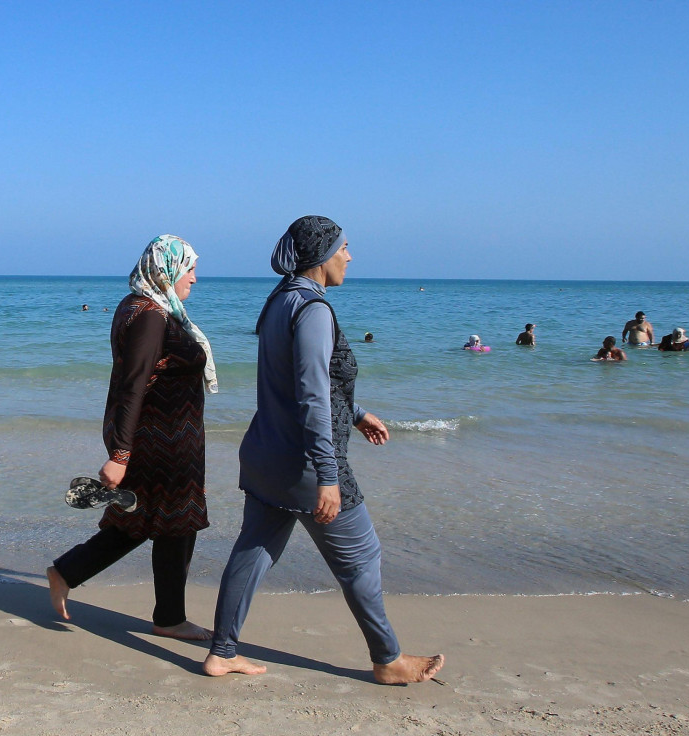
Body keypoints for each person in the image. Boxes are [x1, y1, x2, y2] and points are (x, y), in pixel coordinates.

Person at [203, 215, 444, 685]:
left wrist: (357, 412)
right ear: (322, 254)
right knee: (362, 557)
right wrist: (329, 477)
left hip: (265, 455)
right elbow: (312, 394)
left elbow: (300, 382)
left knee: (253, 551)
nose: (350, 257)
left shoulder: (280, 299)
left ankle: (222, 652)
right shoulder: (313, 309)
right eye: (345, 247)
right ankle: (389, 659)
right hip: (307, 464)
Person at [46, 235, 218, 641]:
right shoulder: (151, 315)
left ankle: (71, 574)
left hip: (170, 440)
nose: (195, 277)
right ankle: (168, 617)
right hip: (161, 443)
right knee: (170, 522)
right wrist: (120, 454)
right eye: (189, 268)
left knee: (147, 519)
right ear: (166, 270)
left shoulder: (140, 306)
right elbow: (132, 385)